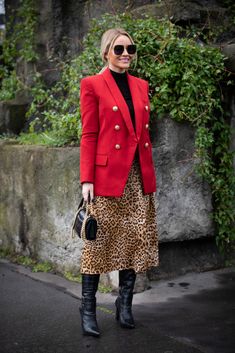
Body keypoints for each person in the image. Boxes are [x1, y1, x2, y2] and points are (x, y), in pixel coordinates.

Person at [79, 28, 159, 337]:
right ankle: (87, 309)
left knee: (133, 240)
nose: (126, 53)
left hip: (137, 175)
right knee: (97, 245)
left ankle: (124, 306)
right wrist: (87, 179)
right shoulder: (92, 85)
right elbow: (89, 134)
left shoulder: (141, 86)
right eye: (118, 48)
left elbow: (142, 134)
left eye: (130, 48)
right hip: (106, 177)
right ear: (106, 52)